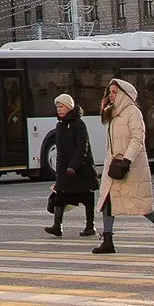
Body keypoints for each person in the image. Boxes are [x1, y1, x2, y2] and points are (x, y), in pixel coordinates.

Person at [93, 78, 154, 255]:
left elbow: (138, 138)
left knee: (141, 204)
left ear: (124, 93)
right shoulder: (113, 113)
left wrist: (127, 161)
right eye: (110, 92)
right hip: (114, 165)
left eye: (115, 92)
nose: (111, 95)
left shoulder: (132, 112)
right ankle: (108, 241)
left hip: (130, 166)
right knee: (108, 200)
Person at [44, 93, 97, 237]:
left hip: (80, 169)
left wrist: (73, 166)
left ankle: (90, 226)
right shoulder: (60, 125)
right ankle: (57, 226)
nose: (59, 110)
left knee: (86, 197)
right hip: (64, 171)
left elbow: (82, 147)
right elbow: (60, 152)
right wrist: (59, 173)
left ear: (69, 107)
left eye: (61, 106)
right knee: (60, 195)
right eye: (57, 107)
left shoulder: (79, 124)